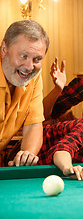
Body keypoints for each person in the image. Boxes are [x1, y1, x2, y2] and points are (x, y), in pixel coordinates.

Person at [0, 20, 49, 167]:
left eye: (37, 59)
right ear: (4, 49)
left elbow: (33, 125)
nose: (29, 66)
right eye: (23, 56)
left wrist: (27, 154)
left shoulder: (33, 77)